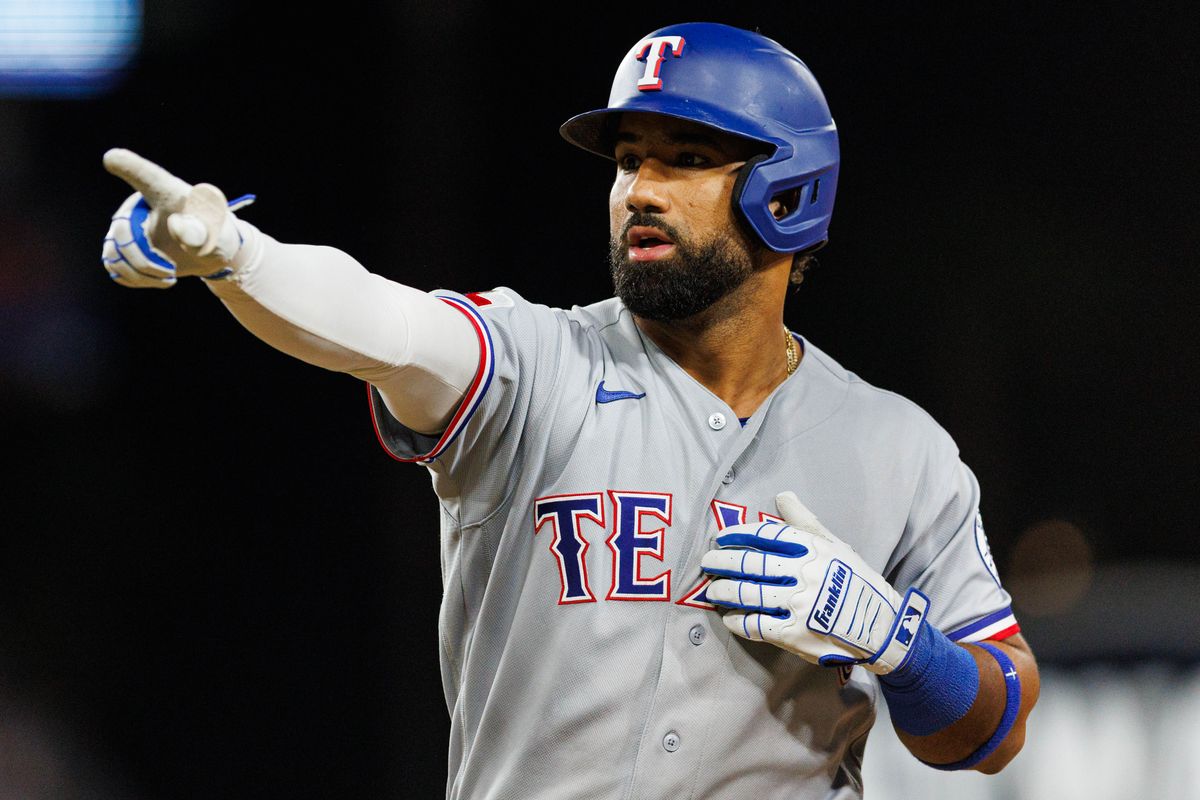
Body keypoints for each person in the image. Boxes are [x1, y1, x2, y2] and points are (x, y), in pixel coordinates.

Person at [100, 21, 1039, 800]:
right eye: (629, 160)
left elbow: (994, 729)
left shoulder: (897, 446)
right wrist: (237, 255)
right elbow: (378, 323)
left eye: (688, 159)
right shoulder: (532, 364)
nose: (640, 189)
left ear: (786, 190)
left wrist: (899, 642)